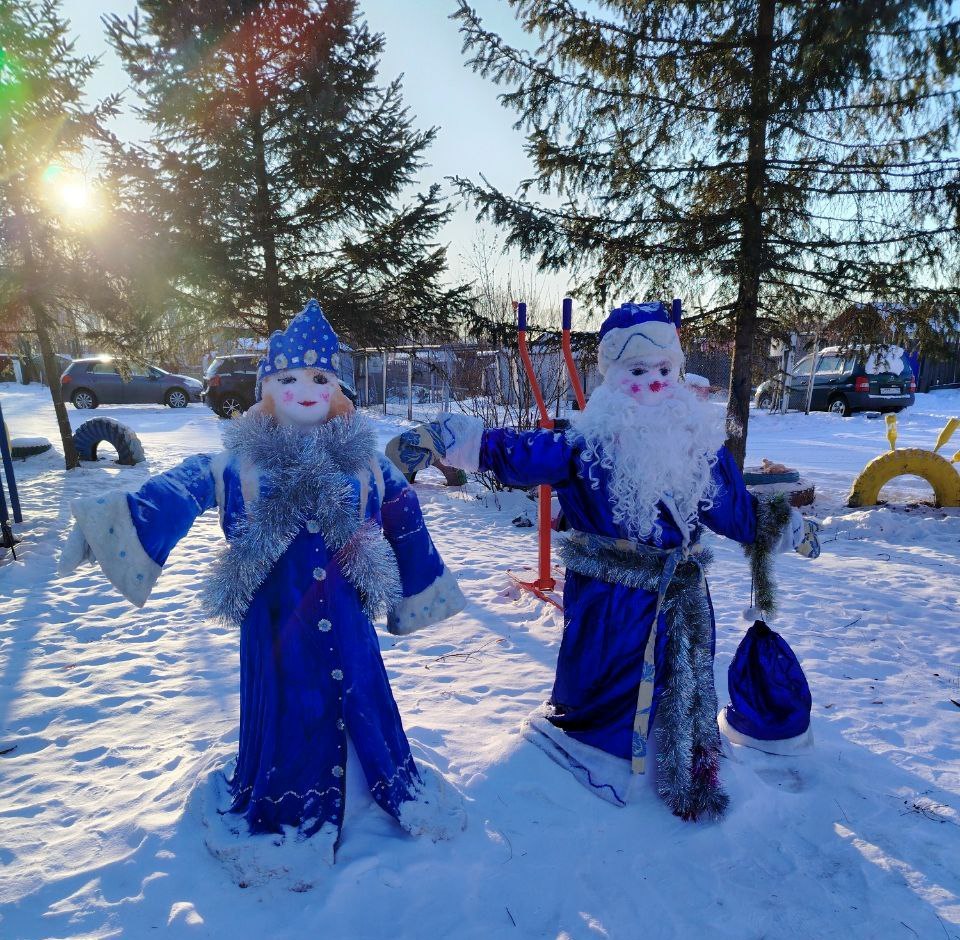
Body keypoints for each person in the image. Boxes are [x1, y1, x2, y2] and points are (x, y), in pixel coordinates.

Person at [58, 299, 467, 864]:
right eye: (289, 377)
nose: (306, 388)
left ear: (337, 390)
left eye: (320, 377)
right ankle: (286, 802)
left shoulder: (368, 463)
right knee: (286, 708)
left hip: (349, 623)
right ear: (269, 389)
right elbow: (180, 488)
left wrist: (417, 593)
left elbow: (404, 517)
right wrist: (112, 524)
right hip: (275, 630)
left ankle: (372, 793)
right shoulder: (237, 465)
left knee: (360, 699)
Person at [390, 301, 819, 821]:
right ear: (613, 378)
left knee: (682, 682)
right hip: (609, 601)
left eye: (665, 370)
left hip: (681, 595)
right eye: (638, 371)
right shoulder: (584, 444)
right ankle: (601, 772)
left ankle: (683, 767)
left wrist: (788, 528)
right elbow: (520, 452)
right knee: (602, 685)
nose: (654, 382)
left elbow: (734, 511)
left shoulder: (697, 447)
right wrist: (447, 439)